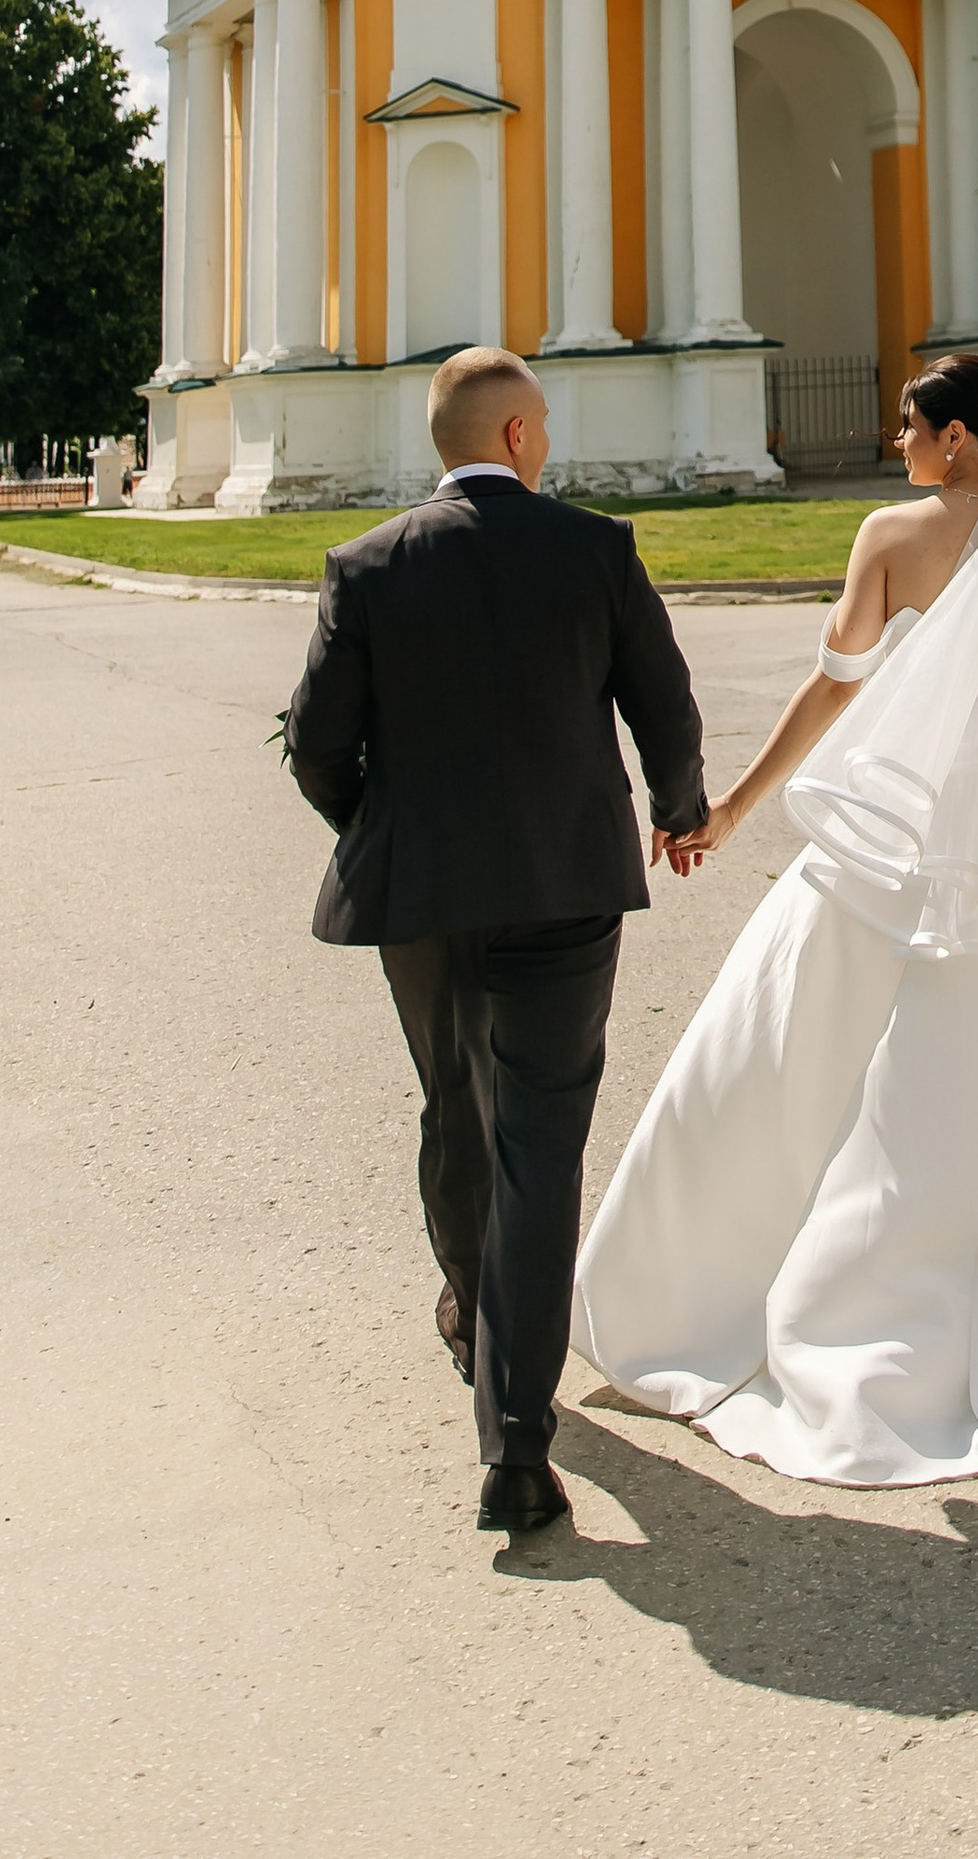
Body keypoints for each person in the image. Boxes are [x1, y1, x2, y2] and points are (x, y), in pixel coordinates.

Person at [572, 350, 978, 1487]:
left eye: (909, 423)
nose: (895, 439)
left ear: (958, 439)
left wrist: (734, 811)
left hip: (896, 813)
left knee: (801, 1029)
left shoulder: (889, 541)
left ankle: (790, 1267)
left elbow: (836, 686)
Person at [283, 347, 706, 1540]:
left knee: (451, 1107)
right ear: (521, 436)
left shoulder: (364, 565)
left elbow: (318, 744)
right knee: (541, 1142)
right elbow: (662, 704)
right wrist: (680, 808)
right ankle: (518, 1442)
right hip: (564, 888)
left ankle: (472, 1315)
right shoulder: (596, 549)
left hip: (421, 897)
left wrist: (382, 829)